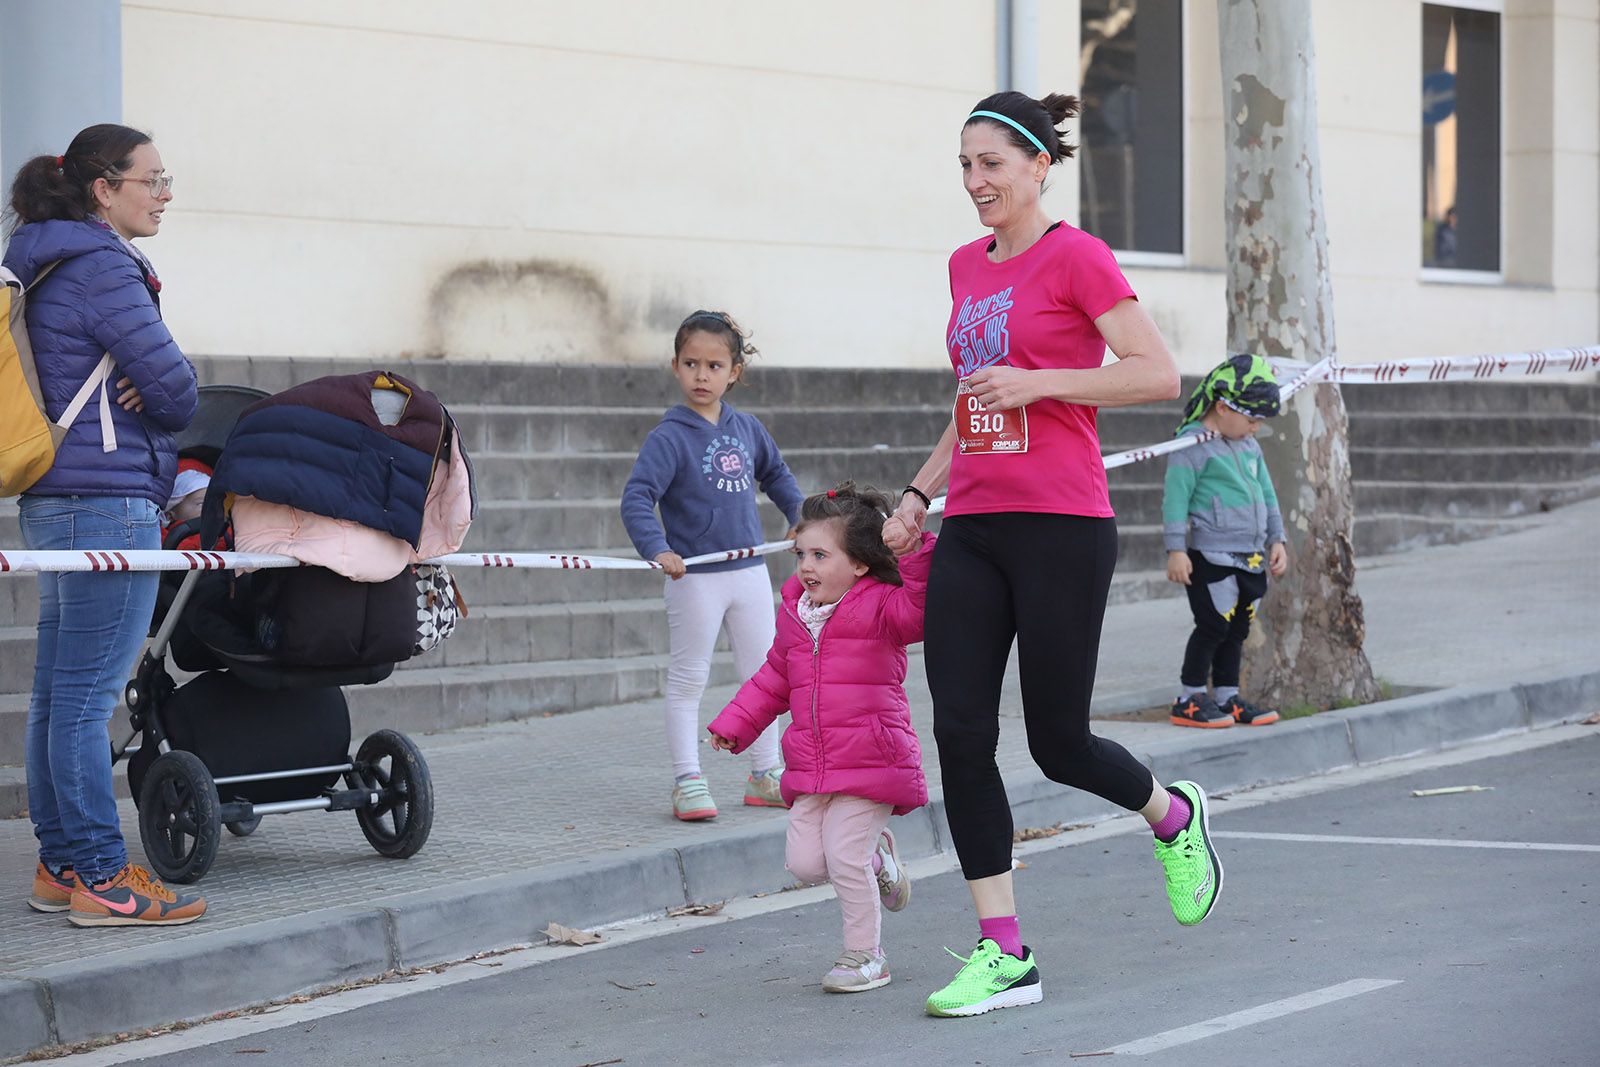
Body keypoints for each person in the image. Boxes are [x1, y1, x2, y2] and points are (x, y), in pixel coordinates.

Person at [879, 90, 1222, 1018]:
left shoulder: (1078, 256)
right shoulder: (963, 266)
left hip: (1063, 524)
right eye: (963, 165)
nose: (975, 181)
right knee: (960, 730)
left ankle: (1174, 815)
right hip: (974, 525)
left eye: (991, 163)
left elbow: (1157, 374)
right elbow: (973, 398)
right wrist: (919, 493)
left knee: (1058, 740)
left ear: (1038, 166)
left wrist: (1042, 382)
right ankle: (1005, 950)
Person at [4, 124, 205, 926]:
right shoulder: (103, 266)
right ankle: (100, 876)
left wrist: (145, 381)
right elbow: (182, 393)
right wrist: (157, 383)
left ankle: (59, 866)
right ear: (102, 189)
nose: (163, 194)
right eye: (150, 179)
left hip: (57, 497)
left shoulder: (44, 259)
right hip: (110, 500)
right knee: (86, 702)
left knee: (58, 697)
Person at [708, 484, 931, 993]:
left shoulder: (881, 606)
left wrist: (915, 551)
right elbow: (774, 680)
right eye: (801, 554)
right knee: (807, 864)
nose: (806, 566)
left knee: (843, 857)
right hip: (814, 764)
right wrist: (734, 724)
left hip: (874, 759)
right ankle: (881, 857)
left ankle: (865, 957)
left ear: (857, 564)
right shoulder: (795, 614)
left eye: (820, 555)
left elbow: (921, 613)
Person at [621, 310, 804, 820]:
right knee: (688, 680)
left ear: (734, 372)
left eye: (714, 365)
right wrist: (658, 549)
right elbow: (637, 498)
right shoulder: (668, 437)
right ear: (675, 367)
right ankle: (687, 780)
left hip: (748, 574)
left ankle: (765, 773)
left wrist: (798, 517)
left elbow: (778, 475)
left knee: (766, 675)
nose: (702, 375)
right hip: (694, 577)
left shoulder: (747, 428)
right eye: (691, 363)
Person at [1164, 354, 1288, 728]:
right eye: (1251, 420)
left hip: (1250, 556)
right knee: (1212, 627)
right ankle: (1188, 697)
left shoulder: (1249, 446)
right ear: (1222, 406)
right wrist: (1176, 550)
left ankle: (1226, 696)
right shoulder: (1191, 446)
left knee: (1237, 630)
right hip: (1211, 556)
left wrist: (1276, 538)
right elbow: (1175, 500)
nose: (1255, 428)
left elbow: (1267, 493)